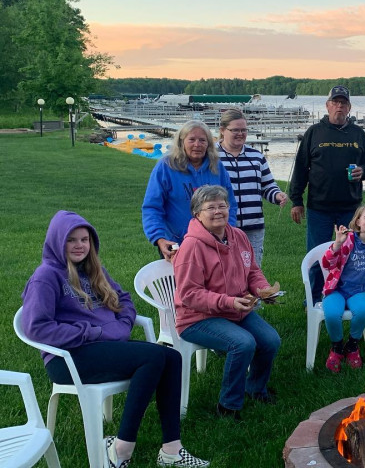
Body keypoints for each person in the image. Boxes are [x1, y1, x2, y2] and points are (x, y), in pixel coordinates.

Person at [21, 211, 209, 468]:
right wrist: (92, 332)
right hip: (67, 358)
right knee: (153, 357)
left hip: (102, 347)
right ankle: (121, 448)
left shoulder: (94, 269)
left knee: (172, 357)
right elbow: (37, 328)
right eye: (71, 240)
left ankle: (171, 449)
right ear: (57, 241)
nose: (79, 245)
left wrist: (122, 324)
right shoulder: (46, 276)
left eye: (84, 239)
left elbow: (125, 299)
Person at [173, 186, 282, 421]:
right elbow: (190, 294)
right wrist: (229, 302)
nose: (217, 211)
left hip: (234, 310)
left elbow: (252, 270)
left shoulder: (238, 236)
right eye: (210, 207)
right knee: (243, 343)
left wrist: (262, 290)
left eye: (222, 205)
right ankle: (228, 406)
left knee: (271, 340)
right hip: (197, 318)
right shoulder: (191, 247)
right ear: (197, 214)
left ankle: (255, 388)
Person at [289, 85, 365, 305]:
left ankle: (343, 295)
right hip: (319, 207)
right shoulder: (314, 132)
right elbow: (300, 167)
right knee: (318, 255)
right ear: (327, 105)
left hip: (350, 207)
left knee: (348, 254)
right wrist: (296, 200)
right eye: (335, 102)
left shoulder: (357, 133)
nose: (339, 106)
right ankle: (312, 299)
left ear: (349, 107)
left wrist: (363, 171)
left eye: (343, 103)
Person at [142, 120, 238, 262]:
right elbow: (152, 207)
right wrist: (159, 239)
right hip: (177, 245)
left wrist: (227, 233)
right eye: (192, 139)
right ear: (182, 141)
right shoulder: (166, 166)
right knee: (180, 284)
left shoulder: (217, 167)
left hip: (214, 244)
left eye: (202, 140)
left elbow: (230, 204)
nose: (197, 145)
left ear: (209, 143)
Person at [320, 204, 365, 372]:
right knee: (331, 314)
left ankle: (352, 346)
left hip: (359, 290)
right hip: (336, 289)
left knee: (361, 312)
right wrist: (337, 245)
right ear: (358, 221)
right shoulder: (348, 240)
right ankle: (337, 347)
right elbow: (326, 264)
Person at [216, 108, 288, 266]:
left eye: (244, 130)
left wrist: (277, 196)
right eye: (235, 130)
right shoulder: (212, 156)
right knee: (224, 270)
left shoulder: (256, 156)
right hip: (222, 227)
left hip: (253, 226)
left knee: (252, 271)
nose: (240, 134)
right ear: (222, 130)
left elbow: (267, 185)